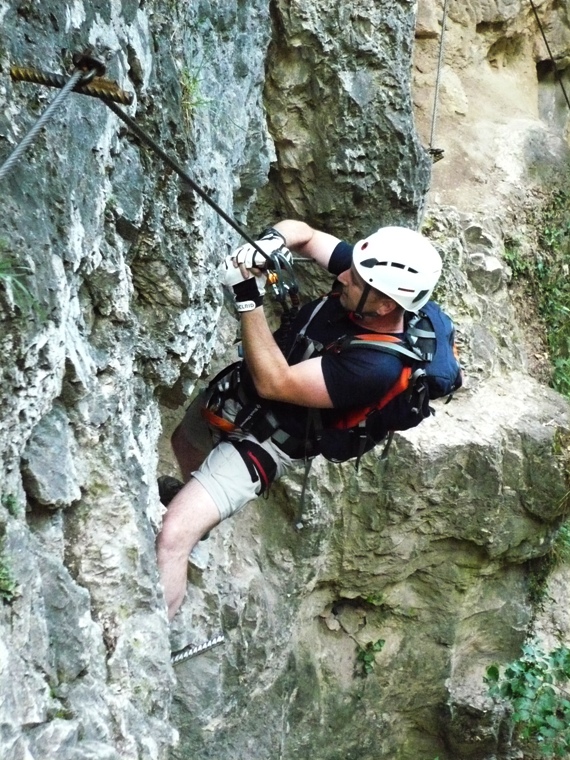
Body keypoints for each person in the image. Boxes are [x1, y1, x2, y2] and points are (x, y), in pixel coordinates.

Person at [156, 220, 443, 621]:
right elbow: (305, 236)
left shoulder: (376, 366)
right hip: (240, 396)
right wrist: (271, 243)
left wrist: (245, 295)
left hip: (267, 443)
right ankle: (198, 511)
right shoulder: (370, 280)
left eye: (355, 281)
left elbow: (276, 382)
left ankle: (152, 640)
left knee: (172, 538)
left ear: (386, 306)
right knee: (184, 442)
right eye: (350, 269)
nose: (342, 276)